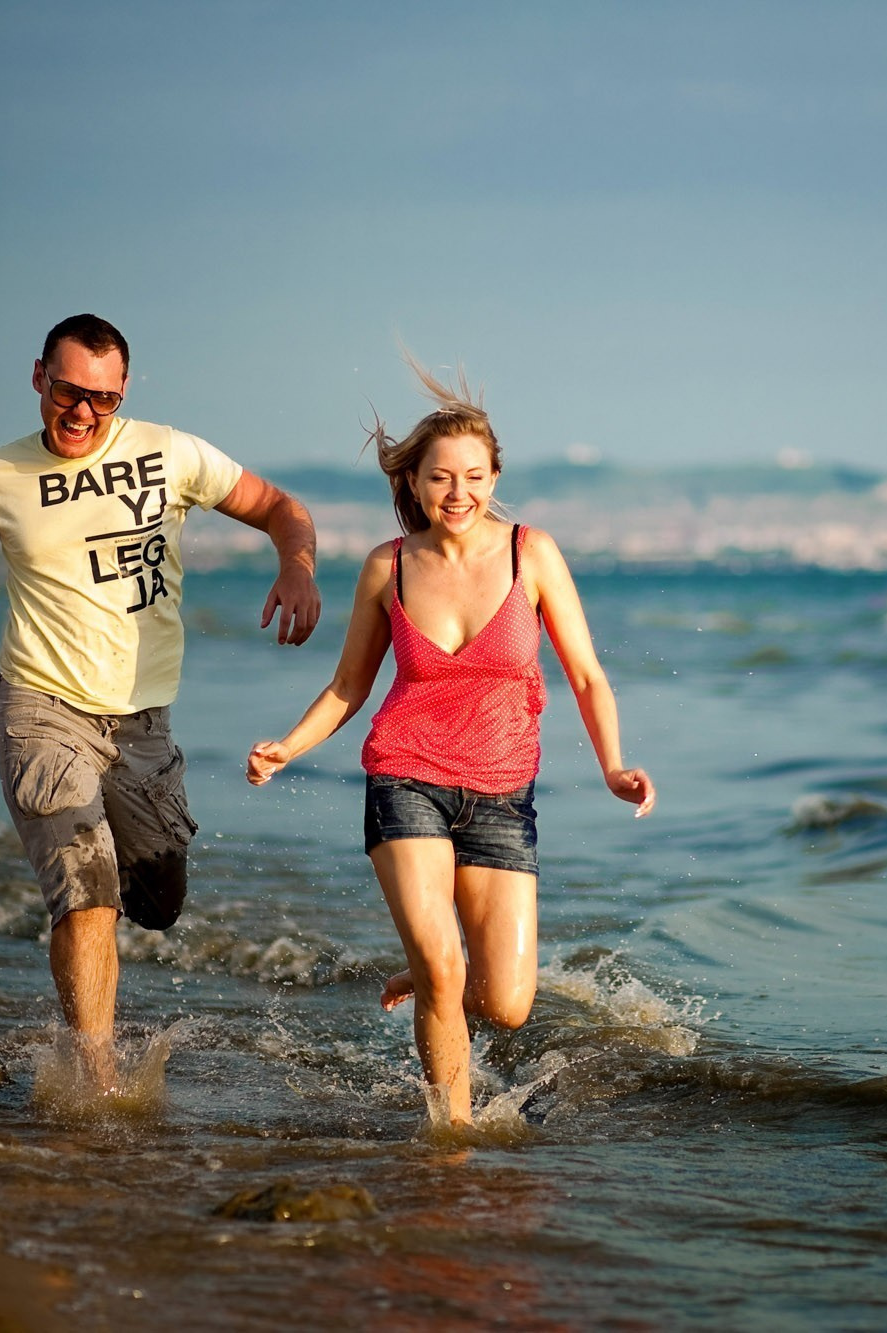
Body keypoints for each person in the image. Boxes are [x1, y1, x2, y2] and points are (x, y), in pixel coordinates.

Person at [0, 313, 321, 1089]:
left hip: (143, 725)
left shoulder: (171, 453)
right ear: (39, 378)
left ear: (123, 393)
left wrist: (298, 565)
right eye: (67, 391)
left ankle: (101, 960)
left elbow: (282, 507)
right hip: (39, 710)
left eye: (104, 398)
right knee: (88, 894)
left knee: (158, 902)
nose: (84, 411)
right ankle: (97, 1080)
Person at [244, 359, 654, 1127]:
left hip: (502, 792)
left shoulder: (532, 553)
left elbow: (587, 675)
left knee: (508, 1003)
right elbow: (348, 686)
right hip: (405, 779)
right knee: (443, 969)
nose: (457, 492)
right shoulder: (389, 566)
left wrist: (613, 765)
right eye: (440, 478)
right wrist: (287, 747)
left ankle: (436, 976)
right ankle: (452, 1144)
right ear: (414, 481)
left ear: (494, 476)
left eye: (472, 476)